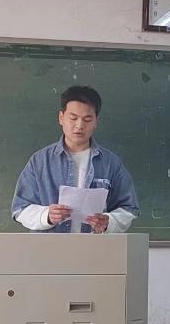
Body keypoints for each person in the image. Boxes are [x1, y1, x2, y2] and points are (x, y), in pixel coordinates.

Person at [10, 85, 139, 233]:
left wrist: (109, 222)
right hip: (49, 245)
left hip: (94, 245)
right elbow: (20, 209)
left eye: (87, 120)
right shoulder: (40, 161)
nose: (79, 125)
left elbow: (129, 208)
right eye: (73, 118)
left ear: (96, 121)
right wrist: (46, 216)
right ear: (61, 118)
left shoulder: (111, 163)